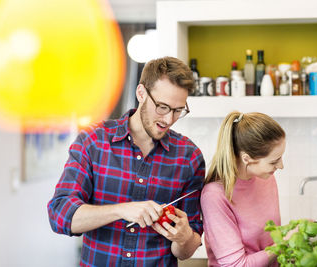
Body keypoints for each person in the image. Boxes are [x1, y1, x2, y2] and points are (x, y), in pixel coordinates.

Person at [47, 57, 205, 266]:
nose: (168, 119)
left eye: (178, 111)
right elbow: (60, 215)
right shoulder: (94, 142)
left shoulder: (189, 157)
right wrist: (121, 210)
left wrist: (184, 238)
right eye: (162, 107)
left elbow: (186, 250)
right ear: (141, 93)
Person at [201, 111, 286, 267]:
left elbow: (268, 241)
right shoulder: (214, 196)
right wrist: (285, 242)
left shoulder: (267, 178)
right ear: (247, 158)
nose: (281, 166)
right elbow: (237, 265)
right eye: (274, 161)